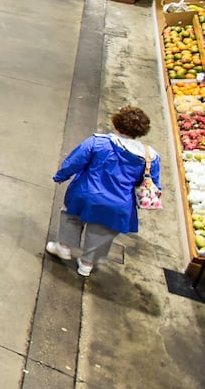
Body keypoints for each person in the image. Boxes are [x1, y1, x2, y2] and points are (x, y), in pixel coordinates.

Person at [46, 106, 162, 276]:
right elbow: (153, 183)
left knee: (71, 216)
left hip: (86, 194)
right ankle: (86, 264)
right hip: (120, 204)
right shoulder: (150, 157)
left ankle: (64, 247)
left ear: (116, 123)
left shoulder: (98, 142)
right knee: (103, 231)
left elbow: (75, 160)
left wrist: (61, 175)